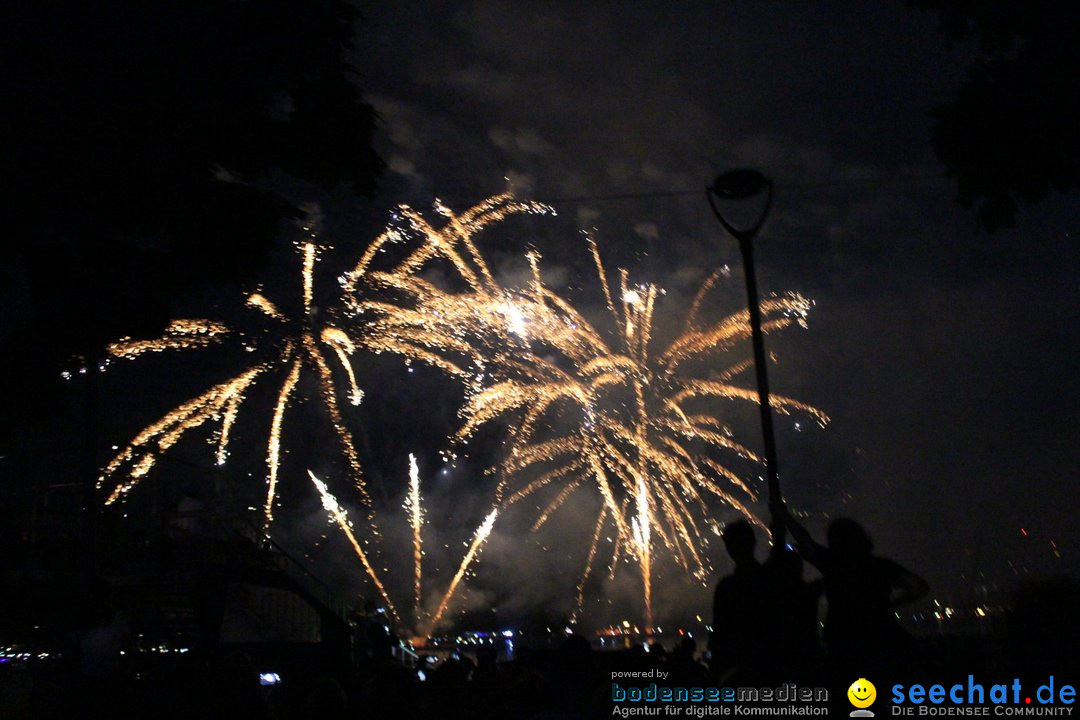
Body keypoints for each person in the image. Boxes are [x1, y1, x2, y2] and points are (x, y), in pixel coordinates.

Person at [778, 506, 928, 678]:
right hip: (878, 640)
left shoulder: (835, 565)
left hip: (843, 644)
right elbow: (920, 587)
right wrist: (890, 604)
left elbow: (804, 539)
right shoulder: (881, 567)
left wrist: (783, 514)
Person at [709, 520, 769, 679]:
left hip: (734, 669)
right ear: (754, 543)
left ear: (729, 549)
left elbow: (719, 635)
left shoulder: (726, 587)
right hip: (766, 667)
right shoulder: (770, 581)